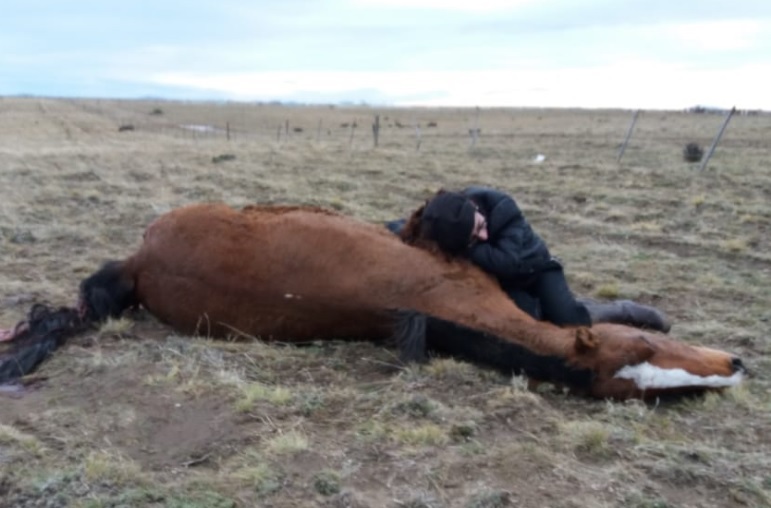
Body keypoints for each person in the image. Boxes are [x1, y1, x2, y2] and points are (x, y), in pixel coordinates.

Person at [386, 186, 671, 332]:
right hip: (505, 284)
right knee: (528, 322)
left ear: (474, 208)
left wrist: (466, 247)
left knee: (570, 322)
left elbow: (507, 261)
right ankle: (551, 306)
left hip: (537, 270)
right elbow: (406, 227)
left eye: (480, 225)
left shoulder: (502, 208)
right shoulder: (446, 218)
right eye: (475, 236)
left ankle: (625, 310)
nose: (484, 235)